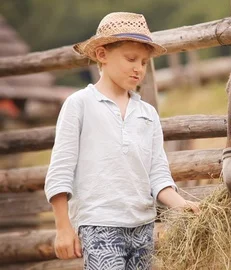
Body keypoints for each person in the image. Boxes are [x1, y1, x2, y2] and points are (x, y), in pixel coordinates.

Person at [44, 12, 199, 270]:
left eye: (144, 61)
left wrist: (181, 205)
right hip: (99, 224)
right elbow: (60, 170)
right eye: (131, 59)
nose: (139, 68)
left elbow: (158, 174)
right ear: (102, 55)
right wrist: (63, 228)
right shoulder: (79, 105)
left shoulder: (148, 114)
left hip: (142, 227)